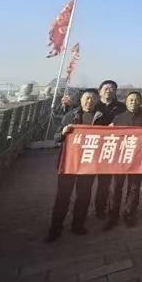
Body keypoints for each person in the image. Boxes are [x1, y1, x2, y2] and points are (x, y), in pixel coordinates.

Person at [45, 90, 104, 242]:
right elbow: (56, 137)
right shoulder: (70, 116)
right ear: (81, 100)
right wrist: (63, 133)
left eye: (92, 98)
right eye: (86, 98)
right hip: (69, 163)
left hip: (89, 163)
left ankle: (78, 225)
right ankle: (55, 228)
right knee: (62, 196)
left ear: (97, 100)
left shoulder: (101, 118)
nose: (89, 101)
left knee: (84, 196)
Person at [106, 91, 142, 230]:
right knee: (115, 188)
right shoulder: (118, 118)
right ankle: (112, 216)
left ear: (141, 102)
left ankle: (130, 214)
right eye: (131, 100)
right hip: (120, 159)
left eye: (137, 100)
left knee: (134, 188)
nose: (133, 102)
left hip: (137, 159)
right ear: (126, 102)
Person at [94, 80, 126, 220]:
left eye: (112, 88)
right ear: (100, 90)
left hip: (117, 148)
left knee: (116, 183)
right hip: (97, 149)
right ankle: (99, 209)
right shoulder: (93, 105)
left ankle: (114, 210)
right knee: (103, 182)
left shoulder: (121, 107)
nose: (109, 91)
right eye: (106, 88)